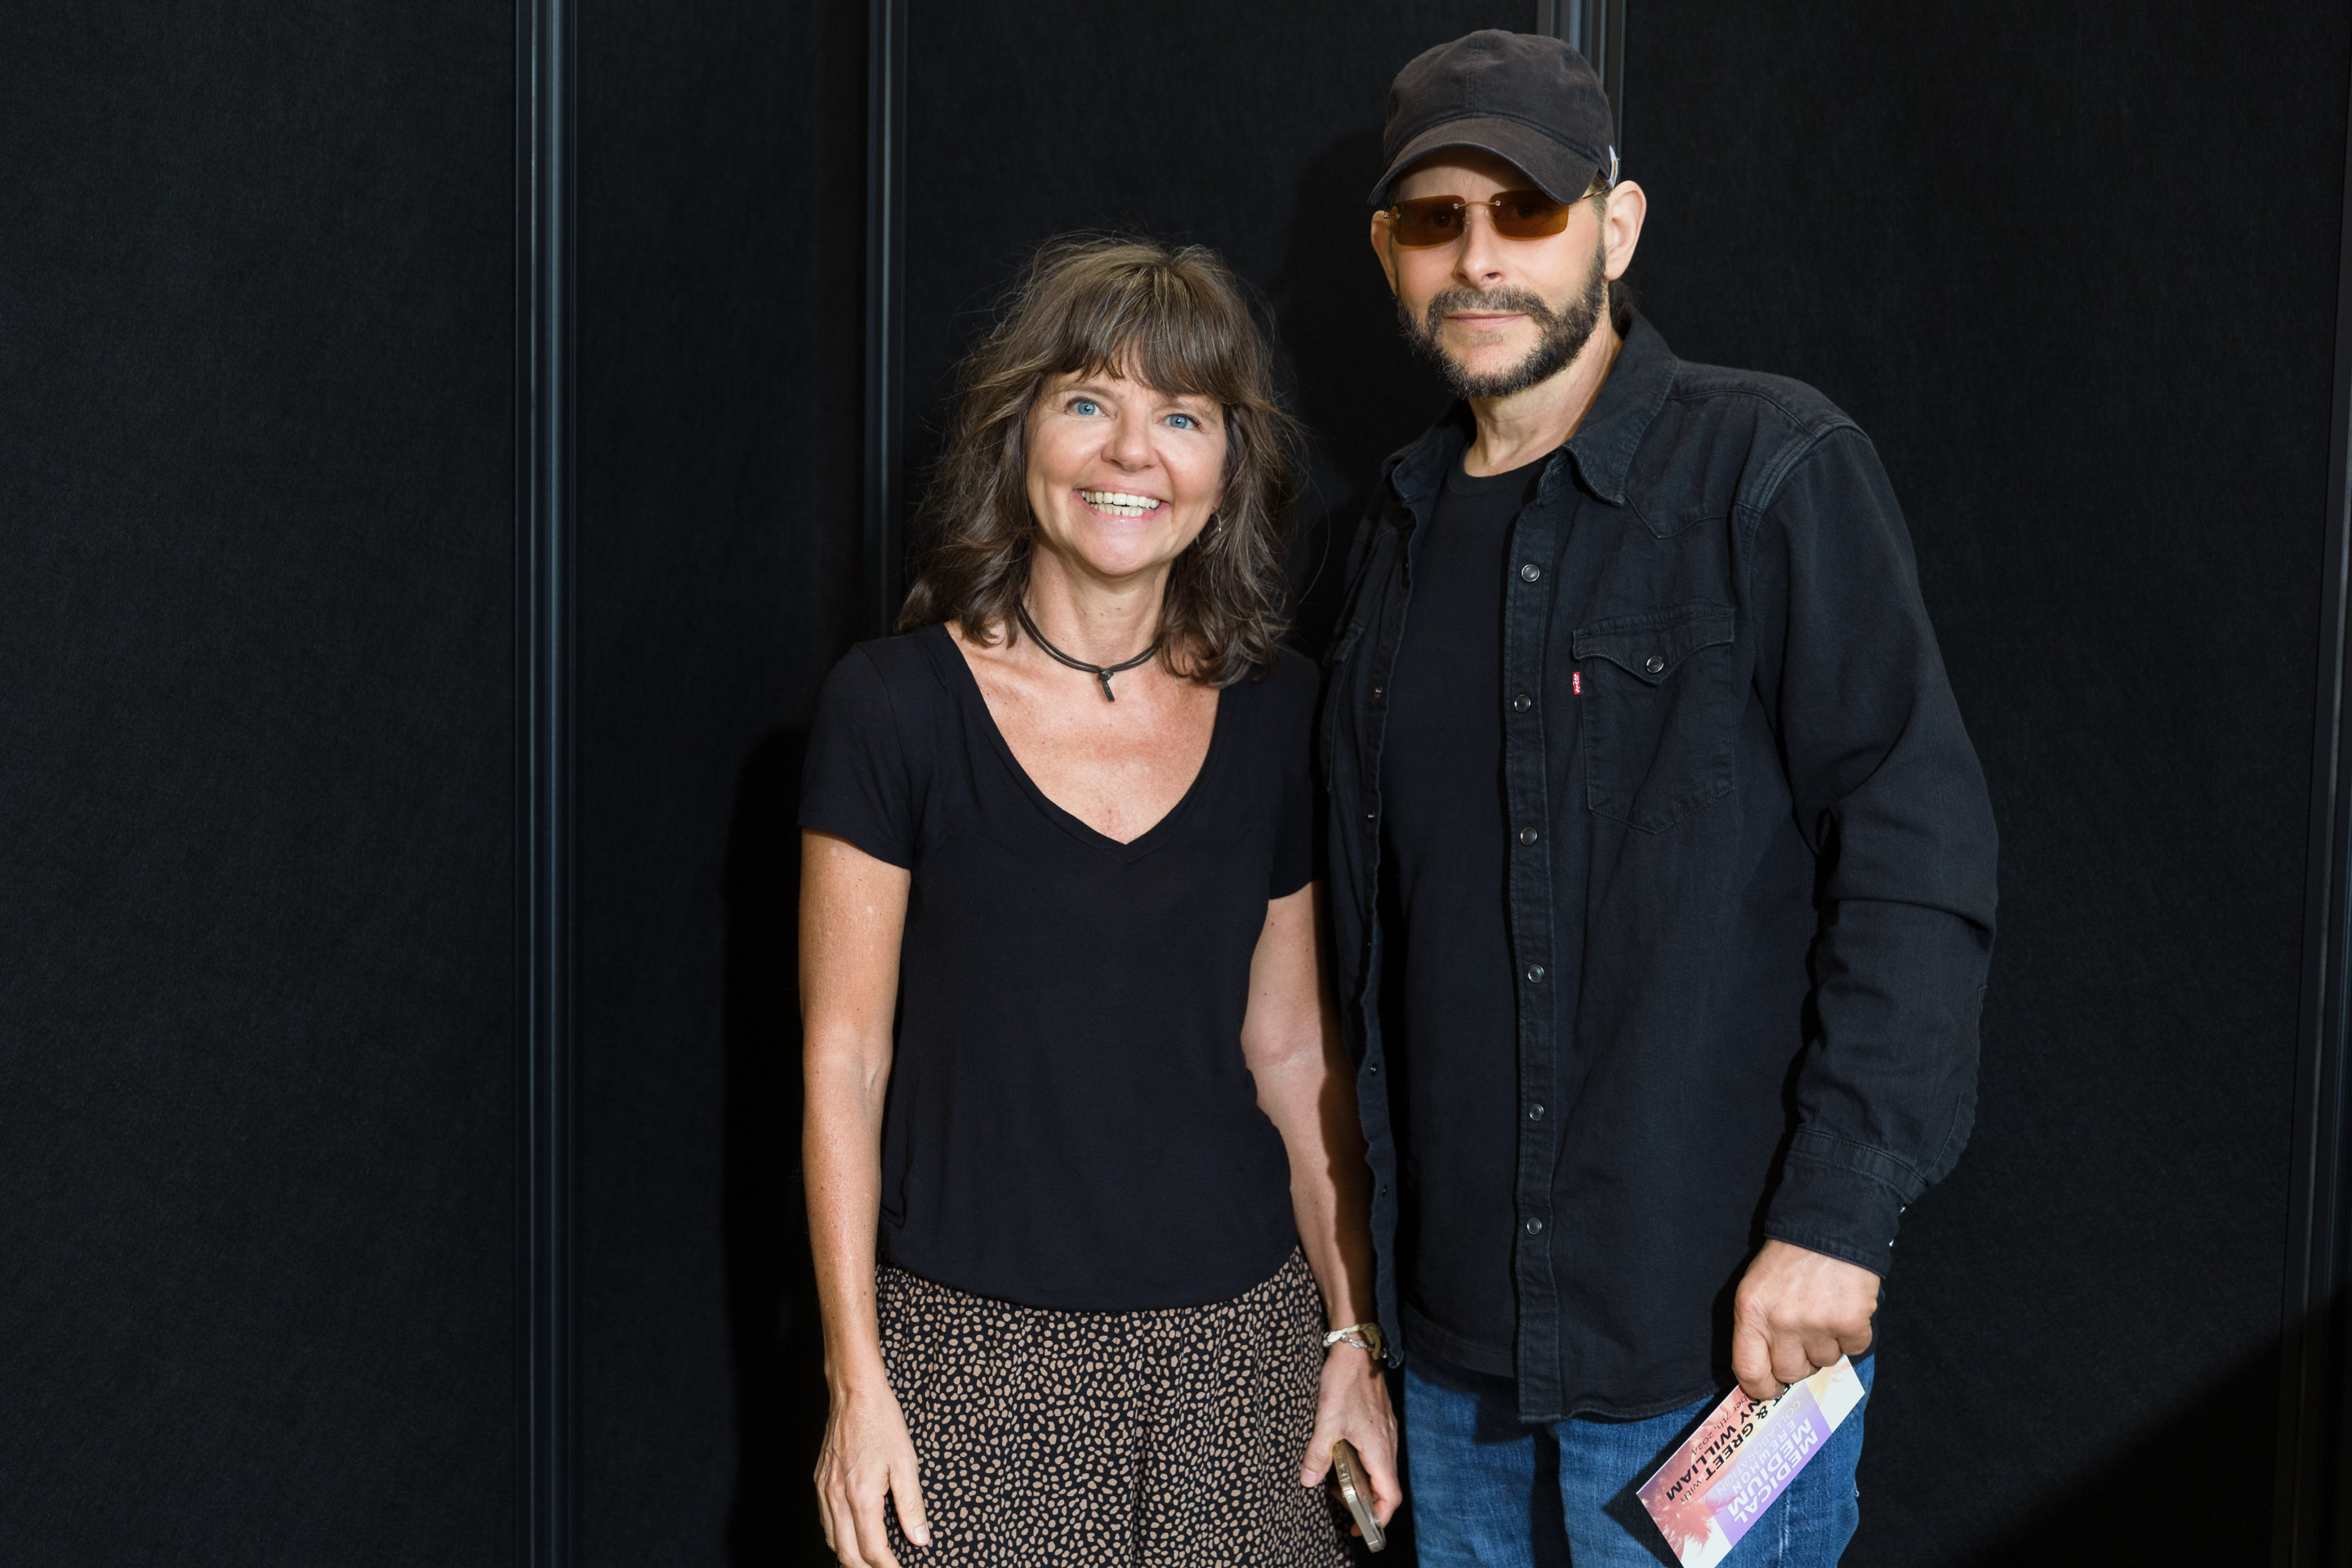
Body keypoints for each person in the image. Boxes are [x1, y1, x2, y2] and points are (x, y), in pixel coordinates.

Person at [1320, 31, 1999, 1566]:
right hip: (1455, 1374)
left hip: (1715, 1360)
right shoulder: (1388, 535)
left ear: (1615, 228)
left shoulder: (1771, 470)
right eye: (1435, 220)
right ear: (1387, 252)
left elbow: (1917, 860)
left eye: (1527, 210)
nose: (1479, 257)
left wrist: (1838, 1218)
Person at [799, 236, 1400, 1568]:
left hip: (1245, 1372)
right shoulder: (892, 708)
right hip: (970, 1372)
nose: (1133, 452)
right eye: (1088, 401)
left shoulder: (1282, 711)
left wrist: (1352, 1338)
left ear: (1228, 466)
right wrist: (856, 1379)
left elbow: (1291, 1054)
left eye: (1181, 417)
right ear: (1019, 433)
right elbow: (844, 1061)